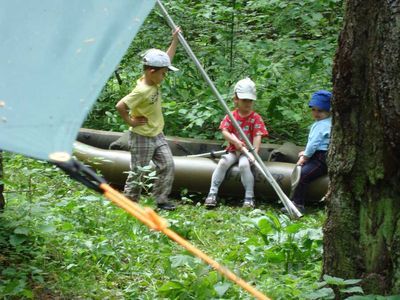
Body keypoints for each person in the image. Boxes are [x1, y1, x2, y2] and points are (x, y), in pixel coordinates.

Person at [115, 28, 180, 211]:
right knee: (138, 170)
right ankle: (130, 201)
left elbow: (166, 59)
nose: (164, 76)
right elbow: (120, 105)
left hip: (157, 133)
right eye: (163, 73)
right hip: (141, 135)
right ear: (151, 72)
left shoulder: (153, 78)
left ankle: (161, 199)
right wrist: (131, 122)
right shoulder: (141, 90)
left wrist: (174, 40)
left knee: (167, 164)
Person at [204, 78, 269, 209]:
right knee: (222, 163)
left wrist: (254, 152)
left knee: (244, 165)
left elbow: (258, 135)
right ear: (236, 100)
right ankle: (212, 193)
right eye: (244, 100)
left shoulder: (255, 118)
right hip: (233, 149)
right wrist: (235, 141)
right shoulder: (231, 116)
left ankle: (249, 197)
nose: (248, 103)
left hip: (247, 152)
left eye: (250, 100)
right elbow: (225, 131)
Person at [288, 90, 332, 213]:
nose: (316, 113)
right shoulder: (328, 122)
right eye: (314, 109)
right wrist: (306, 152)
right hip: (321, 155)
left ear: (329, 110)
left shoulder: (321, 125)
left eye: (320, 110)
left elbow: (314, 143)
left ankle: (298, 204)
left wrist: (305, 156)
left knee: (302, 175)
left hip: (321, 158)